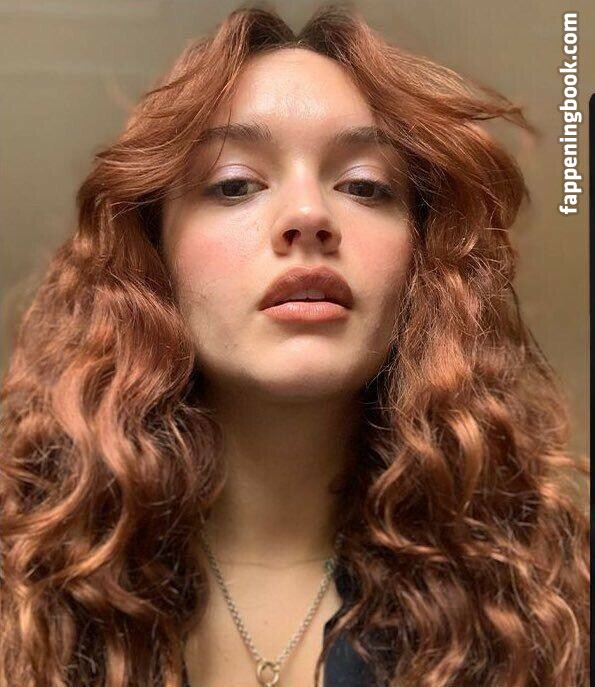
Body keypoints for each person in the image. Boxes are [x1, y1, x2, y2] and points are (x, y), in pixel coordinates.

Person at [0, 4, 589, 687]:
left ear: (420, 266)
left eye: (364, 185)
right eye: (234, 184)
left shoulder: (549, 598)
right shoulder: (22, 580)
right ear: (153, 256)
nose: (309, 214)